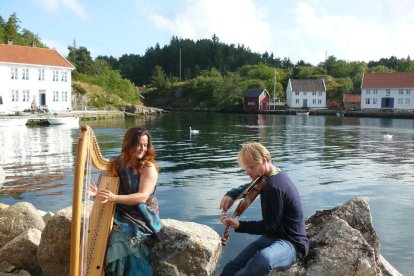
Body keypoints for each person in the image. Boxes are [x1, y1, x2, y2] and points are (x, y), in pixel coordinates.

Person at [219, 142, 309, 276]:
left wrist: (240, 225)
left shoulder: (273, 187)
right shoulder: (272, 174)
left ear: (265, 160)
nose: (248, 172)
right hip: (272, 237)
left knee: (262, 261)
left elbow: (270, 227)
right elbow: (252, 185)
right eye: (246, 168)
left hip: (292, 244)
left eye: (251, 167)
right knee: (231, 268)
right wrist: (232, 194)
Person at [90, 125, 162, 275]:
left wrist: (114, 198)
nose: (142, 148)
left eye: (145, 145)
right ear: (128, 144)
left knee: (119, 237)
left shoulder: (148, 167)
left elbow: (142, 197)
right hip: (121, 210)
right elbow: (106, 189)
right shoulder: (117, 164)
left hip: (142, 215)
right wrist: (98, 193)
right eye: (138, 144)